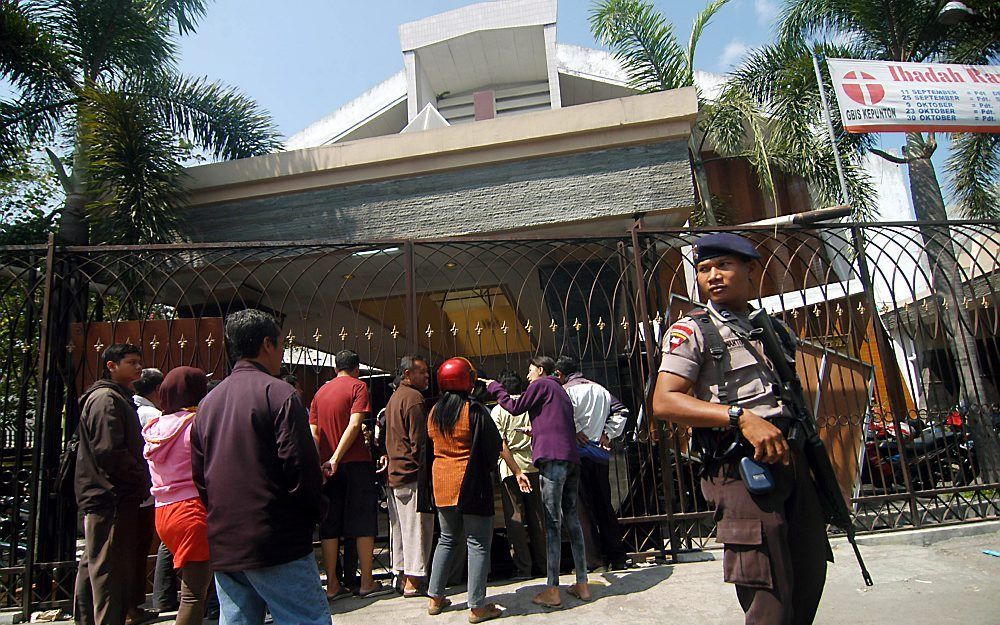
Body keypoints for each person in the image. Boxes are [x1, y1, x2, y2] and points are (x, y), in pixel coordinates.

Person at [651, 233, 831, 625]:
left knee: (809, 571)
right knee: (768, 592)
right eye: (703, 269)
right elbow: (665, 401)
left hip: (790, 459)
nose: (712, 276)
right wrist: (740, 418)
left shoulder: (773, 328)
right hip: (740, 469)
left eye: (723, 266)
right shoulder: (692, 330)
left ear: (751, 270)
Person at [191, 309, 329, 625]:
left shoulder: (209, 404)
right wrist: (315, 510)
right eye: (280, 345)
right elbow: (300, 468)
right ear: (267, 344)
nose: (281, 354)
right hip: (276, 539)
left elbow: (200, 476)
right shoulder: (279, 393)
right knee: (305, 618)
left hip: (227, 540)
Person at [418, 358, 531, 624]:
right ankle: (477, 606)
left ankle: (435, 597)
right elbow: (493, 446)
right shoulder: (475, 410)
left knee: (447, 539)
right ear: (467, 380)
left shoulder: (434, 411)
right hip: (471, 484)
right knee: (478, 543)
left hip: (442, 484)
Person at [484, 356, 591, 608]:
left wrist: (494, 387)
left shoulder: (542, 385)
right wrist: (537, 431)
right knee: (572, 521)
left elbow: (513, 406)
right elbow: (558, 424)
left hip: (552, 459)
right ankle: (583, 584)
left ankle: (552, 590)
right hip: (570, 458)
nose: (528, 376)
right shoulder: (560, 391)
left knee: (552, 523)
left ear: (541, 370)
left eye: (530, 370)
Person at [73, 344, 152, 625]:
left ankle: (87, 618)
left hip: (106, 493)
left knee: (96, 562)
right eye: (131, 362)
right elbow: (109, 451)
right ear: (111, 365)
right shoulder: (107, 399)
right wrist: (139, 475)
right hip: (110, 494)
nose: (138, 367)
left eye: (139, 362)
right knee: (109, 569)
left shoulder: (116, 397)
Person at [310, 349, 392, 600]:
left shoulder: (320, 393)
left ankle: (332, 585)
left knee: (330, 526)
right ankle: (367, 581)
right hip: (355, 463)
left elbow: (313, 432)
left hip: (327, 468)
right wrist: (337, 457)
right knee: (363, 524)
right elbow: (355, 424)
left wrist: (322, 463)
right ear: (356, 368)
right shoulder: (358, 387)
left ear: (335, 368)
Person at [142, 367, 212, 625]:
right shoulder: (195, 425)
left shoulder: (155, 427)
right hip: (193, 510)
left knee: (190, 584)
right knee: (194, 594)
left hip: (164, 512)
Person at [553, 355, 630, 571]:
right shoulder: (600, 389)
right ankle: (617, 555)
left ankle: (592, 560)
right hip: (598, 455)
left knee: (580, 510)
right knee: (604, 505)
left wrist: (575, 430)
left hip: (575, 456)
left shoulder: (565, 392)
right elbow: (622, 411)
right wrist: (608, 433)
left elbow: (561, 417)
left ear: (560, 374)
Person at [383, 355, 434, 596]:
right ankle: (413, 579)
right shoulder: (414, 398)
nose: (427, 376)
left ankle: (402, 575)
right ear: (407, 374)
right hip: (411, 473)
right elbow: (419, 443)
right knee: (416, 529)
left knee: (401, 529)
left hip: (396, 473)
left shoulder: (395, 398)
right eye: (421, 372)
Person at [489, 369, 545, 580]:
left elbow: (500, 444)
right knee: (538, 516)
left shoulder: (498, 411)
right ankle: (545, 564)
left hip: (511, 468)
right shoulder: (530, 406)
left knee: (516, 519)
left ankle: (524, 568)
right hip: (534, 464)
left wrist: (515, 469)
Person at [133, 368, 174, 616]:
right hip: (162, 489)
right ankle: (163, 596)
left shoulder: (140, 410)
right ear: (159, 389)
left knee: (164, 544)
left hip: (157, 491)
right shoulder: (152, 415)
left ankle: (162, 597)